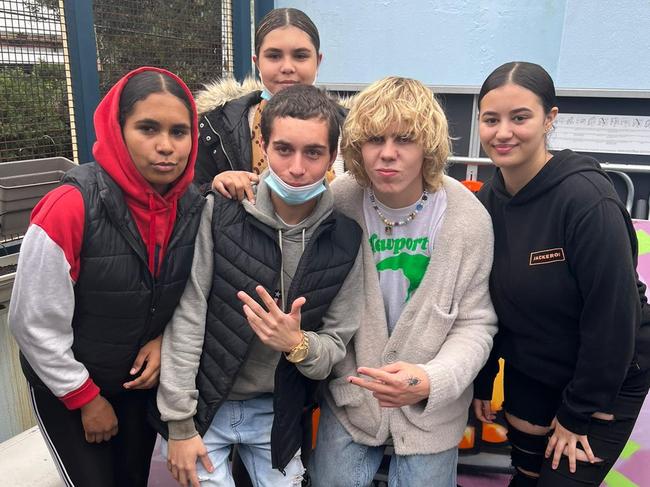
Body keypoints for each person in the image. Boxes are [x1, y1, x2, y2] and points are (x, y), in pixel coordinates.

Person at [155, 84, 363, 487]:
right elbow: (188, 316)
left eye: (314, 152)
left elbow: (335, 344)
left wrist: (297, 343)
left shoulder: (346, 239)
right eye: (284, 149)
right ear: (263, 145)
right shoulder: (219, 213)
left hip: (277, 415)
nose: (298, 167)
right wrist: (179, 424)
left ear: (333, 155)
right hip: (204, 410)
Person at [9, 66, 204, 487]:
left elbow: (192, 293)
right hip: (68, 385)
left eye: (179, 131)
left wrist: (164, 338)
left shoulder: (193, 206)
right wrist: (84, 398)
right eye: (147, 128)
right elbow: (33, 324)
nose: (165, 146)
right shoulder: (69, 207)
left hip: (135, 385)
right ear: (118, 130)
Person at [309, 77, 498, 487]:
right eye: (375, 139)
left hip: (433, 410)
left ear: (427, 146)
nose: (387, 154)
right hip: (351, 401)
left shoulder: (468, 219)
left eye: (405, 139)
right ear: (357, 145)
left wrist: (431, 380)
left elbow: (475, 322)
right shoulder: (340, 202)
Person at [472, 61, 650, 487]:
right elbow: (484, 299)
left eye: (520, 117)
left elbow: (612, 318)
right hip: (535, 365)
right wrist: (482, 380)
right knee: (527, 475)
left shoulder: (588, 201)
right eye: (491, 119)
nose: (503, 132)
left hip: (608, 369)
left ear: (550, 119)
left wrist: (578, 414)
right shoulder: (487, 203)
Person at [193, 7, 347, 199]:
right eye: (274, 56)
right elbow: (190, 198)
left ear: (318, 61)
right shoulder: (217, 127)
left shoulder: (353, 128)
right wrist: (214, 187)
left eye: (300, 56)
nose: (287, 67)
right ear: (257, 63)